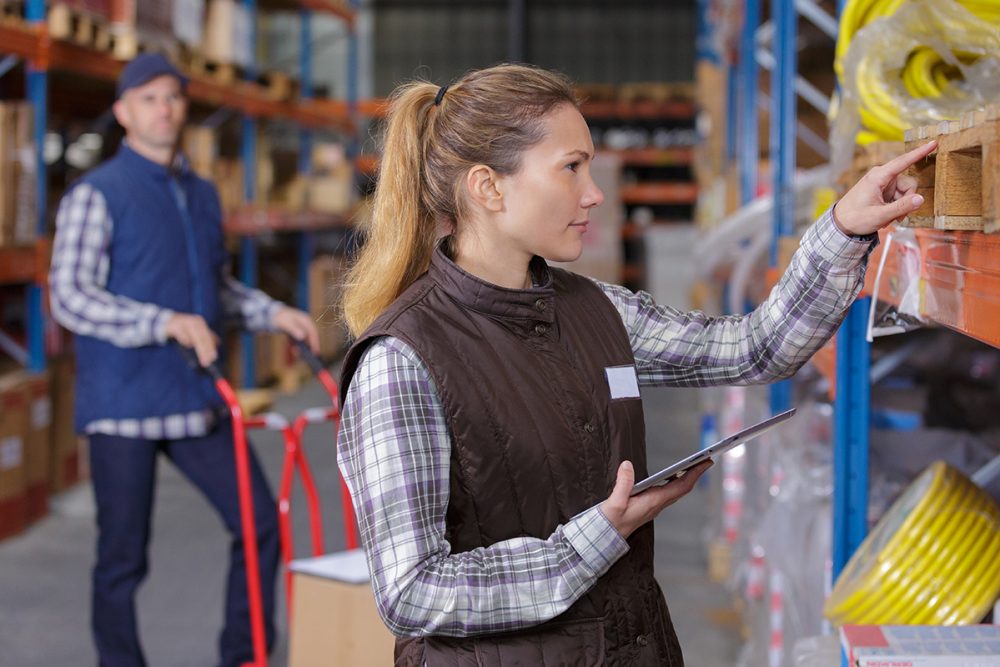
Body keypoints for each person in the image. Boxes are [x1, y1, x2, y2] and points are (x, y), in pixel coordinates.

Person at [335, 63, 935, 666]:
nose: (593, 192)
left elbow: (756, 347)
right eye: (572, 167)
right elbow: (413, 590)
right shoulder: (403, 359)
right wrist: (596, 539)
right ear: (488, 188)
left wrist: (841, 230)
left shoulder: (594, 310)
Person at [48, 53, 320, 667]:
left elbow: (213, 289)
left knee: (259, 525)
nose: (164, 108)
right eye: (148, 99)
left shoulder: (199, 194)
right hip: (124, 404)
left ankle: (244, 656)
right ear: (123, 113)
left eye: (172, 97)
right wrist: (161, 322)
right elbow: (70, 296)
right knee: (123, 558)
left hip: (195, 395)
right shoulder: (98, 194)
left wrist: (271, 312)